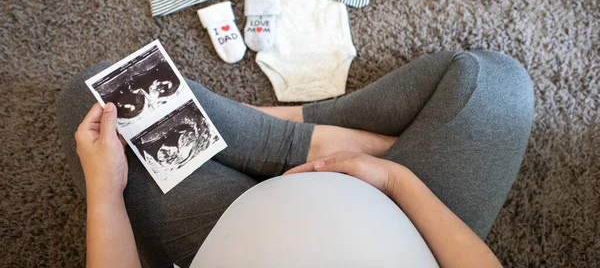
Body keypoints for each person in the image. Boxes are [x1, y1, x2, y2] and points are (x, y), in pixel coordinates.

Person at [58, 50, 534, 268]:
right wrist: (394, 178)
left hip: (217, 232)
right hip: (412, 220)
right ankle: (305, 135)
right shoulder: (396, 188)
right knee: (491, 85)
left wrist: (105, 193)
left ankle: (285, 138)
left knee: (101, 101)